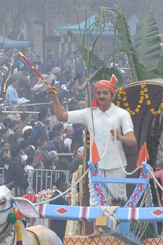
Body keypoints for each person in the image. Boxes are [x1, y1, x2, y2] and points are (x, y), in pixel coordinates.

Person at [48, 76, 136, 210]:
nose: (101, 96)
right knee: (96, 202)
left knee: (118, 201)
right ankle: (98, 231)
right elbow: (61, 117)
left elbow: (132, 140)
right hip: (96, 167)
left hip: (117, 165)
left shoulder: (122, 114)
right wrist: (54, 97)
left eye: (105, 93)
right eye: (99, 93)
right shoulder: (89, 113)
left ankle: (118, 231)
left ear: (112, 96)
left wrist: (120, 137)